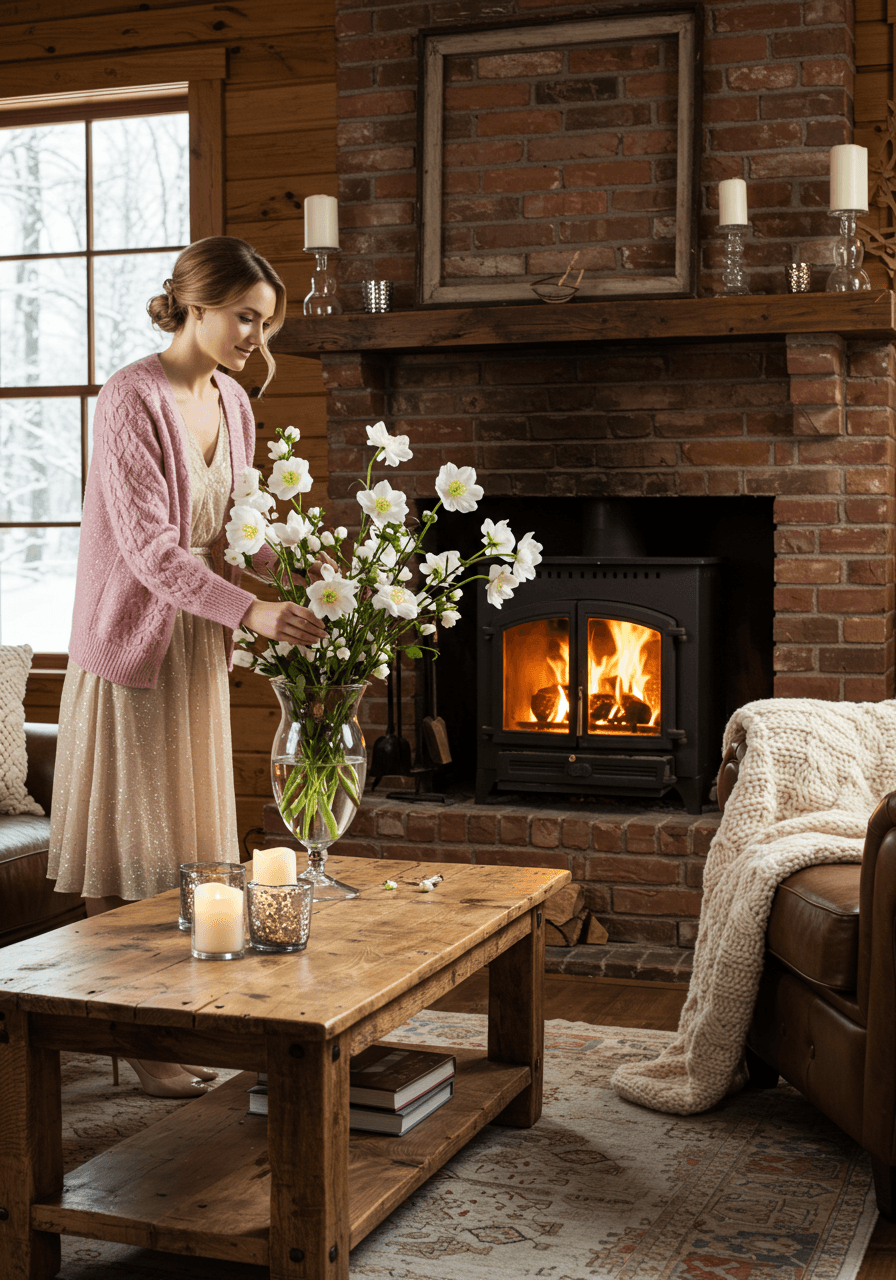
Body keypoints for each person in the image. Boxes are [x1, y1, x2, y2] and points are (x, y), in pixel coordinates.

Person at [47, 236, 326, 1097]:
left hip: (199, 650)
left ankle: (178, 1016)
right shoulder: (130, 397)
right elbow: (149, 552)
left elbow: (232, 533)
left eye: (266, 321)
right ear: (195, 305)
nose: (255, 334)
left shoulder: (236, 402)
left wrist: (308, 583)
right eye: (245, 316)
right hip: (131, 649)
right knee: (124, 856)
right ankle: (133, 1037)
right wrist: (254, 609)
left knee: (189, 857)